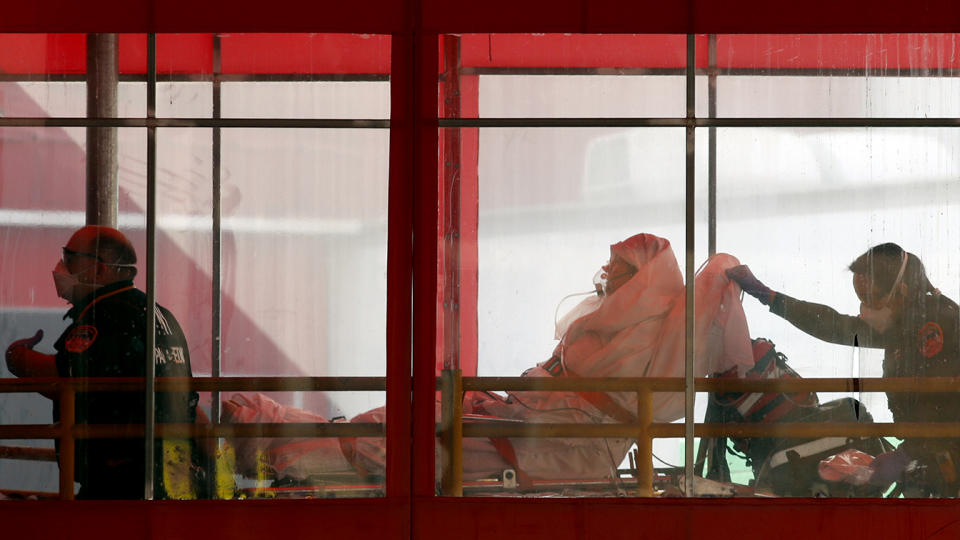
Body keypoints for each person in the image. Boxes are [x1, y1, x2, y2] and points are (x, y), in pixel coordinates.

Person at [726, 243, 960, 495]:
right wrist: (768, 296)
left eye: (870, 299)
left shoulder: (935, 326)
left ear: (901, 292)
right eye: (860, 299)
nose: (864, 310)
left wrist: (907, 455)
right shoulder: (904, 322)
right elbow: (833, 325)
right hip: (932, 448)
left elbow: (941, 403)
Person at [4, 225, 199, 499]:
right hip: (166, 479)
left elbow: (63, 380)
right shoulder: (159, 314)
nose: (61, 267)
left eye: (70, 258)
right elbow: (190, 401)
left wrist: (18, 358)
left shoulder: (105, 316)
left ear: (99, 270)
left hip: (119, 484)